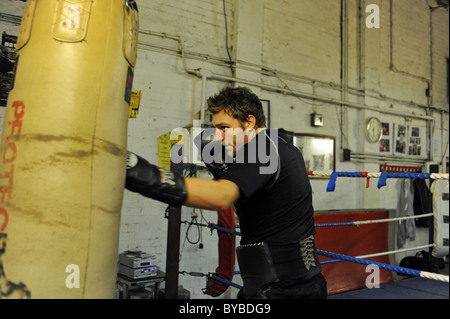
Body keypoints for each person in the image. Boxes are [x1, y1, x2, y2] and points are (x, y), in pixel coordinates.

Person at [125, 86, 327, 299]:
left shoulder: (263, 150)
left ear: (249, 122)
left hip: (281, 291)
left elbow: (221, 196)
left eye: (224, 128)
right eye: (215, 129)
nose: (218, 137)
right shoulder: (282, 146)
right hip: (299, 283)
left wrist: (139, 172)